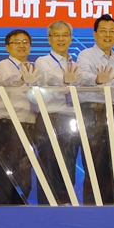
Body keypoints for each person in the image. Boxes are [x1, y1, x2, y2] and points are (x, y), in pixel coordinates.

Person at [75, 14, 114, 205]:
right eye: (103, 31)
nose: (108, 35)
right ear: (95, 34)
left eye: (112, 31)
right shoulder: (86, 55)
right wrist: (96, 79)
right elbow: (80, 77)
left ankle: (112, 212)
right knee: (94, 165)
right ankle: (92, 213)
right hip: (93, 112)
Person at [0, 29, 39, 205]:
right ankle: (3, 218)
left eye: (25, 42)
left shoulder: (33, 68)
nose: (22, 46)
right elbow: (5, 81)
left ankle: (19, 216)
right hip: (7, 126)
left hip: (29, 125)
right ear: (7, 47)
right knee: (5, 177)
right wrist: (22, 78)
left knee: (24, 178)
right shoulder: (3, 66)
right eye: (17, 42)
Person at [33, 20, 81, 205]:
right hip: (50, 118)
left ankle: (65, 208)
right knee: (49, 168)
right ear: (49, 39)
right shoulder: (42, 61)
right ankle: (47, 211)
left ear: (70, 38)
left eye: (65, 35)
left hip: (70, 119)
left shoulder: (74, 63)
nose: (61, 39)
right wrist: (64, 78)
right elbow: (48, 77)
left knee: (68, 167)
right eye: (57, 35)